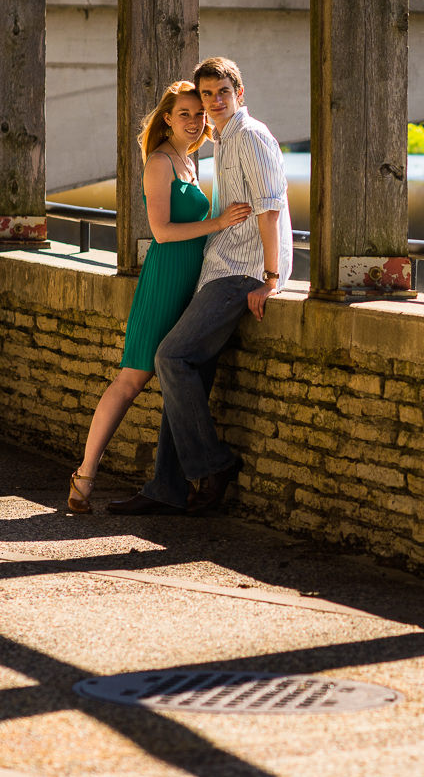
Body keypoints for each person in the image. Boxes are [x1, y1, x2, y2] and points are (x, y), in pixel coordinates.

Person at [108, 56, 294, 515]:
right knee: (188, 370)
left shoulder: (250, 137)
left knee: (170, 356)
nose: (213, 103)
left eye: (221, 94)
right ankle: (166, 489)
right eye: (206, 95)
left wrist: (271, 279)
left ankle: (214, 465)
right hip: (219, 267)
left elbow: (270, 211)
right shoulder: (222, 142)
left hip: (241, 272)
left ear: (239, 94)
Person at [67, 80, 251, 513]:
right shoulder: (160, 163)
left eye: (199, 113)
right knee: (131, 380)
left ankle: (168, 487)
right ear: (167, 119)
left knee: (174, 373)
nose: (194, 121)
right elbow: (162, 233)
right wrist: (220, 222)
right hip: (164, 281)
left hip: (193, 282)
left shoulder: (191, 161)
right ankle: (85, 475)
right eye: (183, 114)